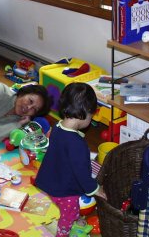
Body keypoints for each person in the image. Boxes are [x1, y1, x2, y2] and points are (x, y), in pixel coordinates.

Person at [35, 82, 104, 237]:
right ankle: (62, 233)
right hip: (64, 191)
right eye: (91, 116)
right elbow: (82, 174)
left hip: (48, 180)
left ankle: (76, 218)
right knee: (69, 214)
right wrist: (96, 189)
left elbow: (60, 151)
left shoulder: (57, 127)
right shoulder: (77, 145)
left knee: (69, 209)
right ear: (85, 113)